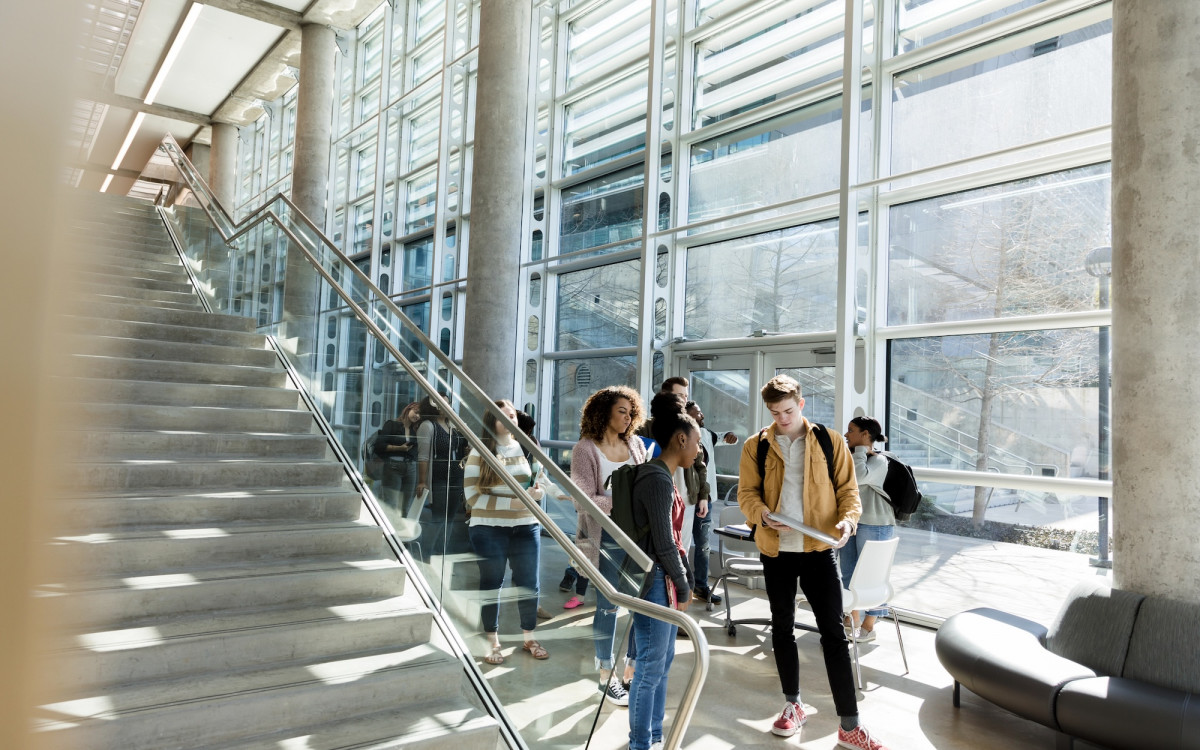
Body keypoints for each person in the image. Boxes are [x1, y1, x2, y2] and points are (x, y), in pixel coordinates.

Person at [737, 375, 890, 750]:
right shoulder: (756, 446)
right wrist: (759, 513)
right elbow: (746, 494)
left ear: (801, 404)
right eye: (774, 412)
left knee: (834, 637)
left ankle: (850, 726)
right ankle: (793, 705)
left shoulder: (829, 440)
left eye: (788, 410)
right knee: (782, 630)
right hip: (776, 550)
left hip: (819, 551)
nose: (782, 418)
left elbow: (849, 493)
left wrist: (849, 521)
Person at [627, 392, 696, 750]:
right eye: (696, 440)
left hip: (660, 579)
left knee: (662, 661)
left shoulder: (663, 475)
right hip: (653, 582)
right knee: (650, 667)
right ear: (681, 438)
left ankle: (654, 735)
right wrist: (684, 585)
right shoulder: (656, 478)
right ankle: (641, 743)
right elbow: (664, 542)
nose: (698, 449)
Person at [570, 385, 647, 706]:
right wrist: (621, 504)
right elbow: (581, 498)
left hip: (638, 539)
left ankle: (630, 669)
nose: (628, 417)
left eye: (631, 412)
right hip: (606, 540)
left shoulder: (637, 444)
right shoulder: (585, 449)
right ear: (603, 413)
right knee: (607, 607)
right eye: (622, 411)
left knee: (641, 605)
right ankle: (605, 675)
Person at [463, 400, 547, 664]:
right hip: (488, 528)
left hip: (526, 525)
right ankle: (492, 641)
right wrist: (515, 501)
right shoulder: (480, 449)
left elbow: (541, 480)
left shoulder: (528, 447)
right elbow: (472, 497)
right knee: (491, 584)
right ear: (492, 421)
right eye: (504, 416)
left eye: (513, 415)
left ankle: (529, 637)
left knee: (529, 584)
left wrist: (538, 492)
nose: (511, 420)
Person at [840, 416, 895, 642]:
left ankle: (869, 626)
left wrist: (861, 450)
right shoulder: (854, 457)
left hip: (876, 523)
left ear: (865, 435)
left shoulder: (881, 460)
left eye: (851, 430)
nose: (845, 434)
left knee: (872, 576)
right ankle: (851, 618)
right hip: (852, 521)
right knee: (849, 572)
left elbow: (858, 477)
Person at [684, 399, 738, 604]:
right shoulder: (679, 437)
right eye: (697, 413)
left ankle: (701, 585)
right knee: (682, 543)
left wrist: (731, 437)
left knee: (703, 545)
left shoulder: (706, 435)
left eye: (701, 413)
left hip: (707, 499)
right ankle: (683, 587)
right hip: (687, 499)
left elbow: (724, 437)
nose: (702, 416)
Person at [414, 395, 469, 560]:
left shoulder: (453, 425)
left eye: (448, 402)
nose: (447, 405)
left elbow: (460, 448)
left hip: (456, 476)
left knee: (450, 518)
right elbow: (423, 457)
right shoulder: (428, 425)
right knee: (439, 517)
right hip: (439, 477)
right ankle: (426, 554)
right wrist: (422, 481)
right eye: (442, 402)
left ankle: (440, 554)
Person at [376, 400, 421, 510]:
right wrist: (399, 448)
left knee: (406, 505)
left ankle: (402, 527)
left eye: (420, 415)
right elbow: (379, 446)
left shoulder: (415, 430)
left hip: (410, 467)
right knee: (391, 505)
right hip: (393, 466)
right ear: (408, 409)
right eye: (416, 412)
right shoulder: (392, 424)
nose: (417, 416)